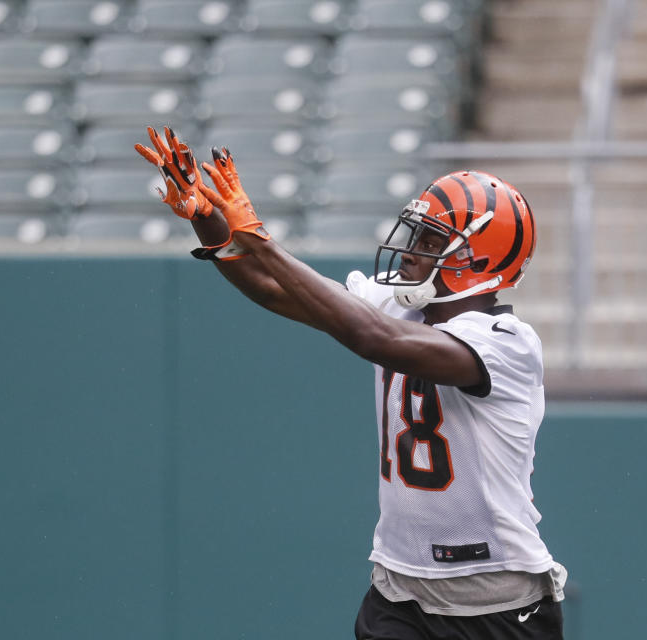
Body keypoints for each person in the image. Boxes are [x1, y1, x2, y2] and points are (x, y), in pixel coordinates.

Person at [136, 126, 568, 640]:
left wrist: (261, 240)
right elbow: (275, 292)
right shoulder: (401, 306)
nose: (410, 252)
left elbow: (376, 340)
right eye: (416, 235)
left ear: (479, 261)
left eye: (432, 241)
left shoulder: (507, 343)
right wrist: (211, 223)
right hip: (400, 590)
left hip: (494, 601)